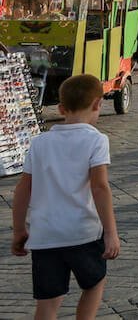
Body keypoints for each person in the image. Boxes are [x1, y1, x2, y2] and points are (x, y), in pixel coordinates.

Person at [10, 74, 120, 320]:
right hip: (84, 233)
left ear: (61, 108)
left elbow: (22, 189)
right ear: (97, 104)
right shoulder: (96, 140)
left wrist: (19, 229)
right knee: (93, 285)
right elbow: (100, 188)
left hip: (45, 236)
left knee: (47, 302)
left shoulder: (39, 143)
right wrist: (111, 232)